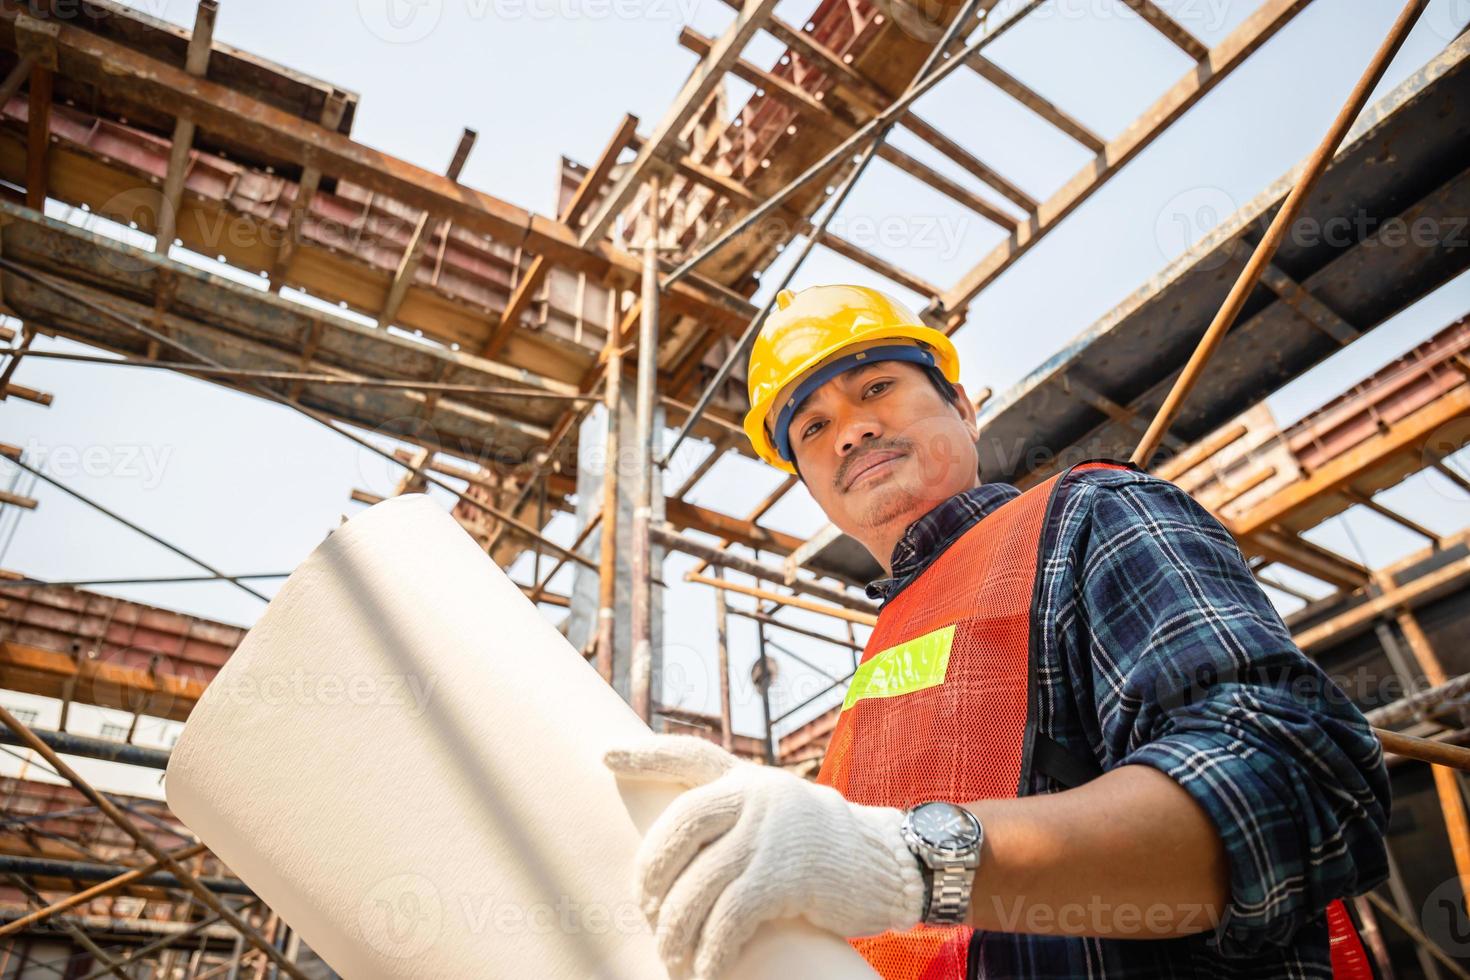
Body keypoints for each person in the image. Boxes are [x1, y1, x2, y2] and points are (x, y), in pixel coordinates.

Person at [602, 285, 1390, 980]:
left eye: (876, 386)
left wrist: (913, 857)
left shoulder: (1091, 517)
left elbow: (1289, 780)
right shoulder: (882, 660)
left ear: (964, 408)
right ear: (808, 482)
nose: (848, 433)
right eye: (812, 429)